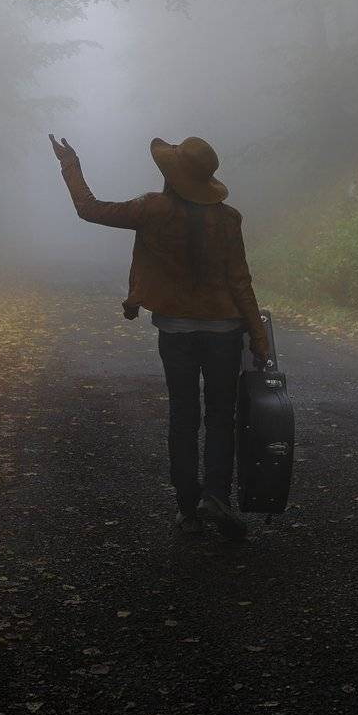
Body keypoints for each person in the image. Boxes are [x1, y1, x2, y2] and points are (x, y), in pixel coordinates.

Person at [49, 133, 269, 540]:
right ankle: (216, 497)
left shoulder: (152, 209)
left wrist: (71, 165)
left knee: (183, 416)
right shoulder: (228, 219)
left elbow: (89, 209)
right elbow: (240, 281)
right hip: (224, 331)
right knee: (221, 415)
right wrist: (259, 336)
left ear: (173, 176)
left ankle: (187, 508)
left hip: (175, 331)